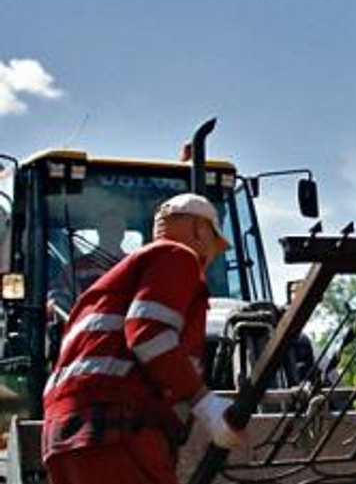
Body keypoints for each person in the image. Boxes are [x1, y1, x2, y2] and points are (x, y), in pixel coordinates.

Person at [42, 193, 243, 484]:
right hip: (119, 428)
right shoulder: (177, 256)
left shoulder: (117, 279)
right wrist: (205, 403)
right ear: (200, 229)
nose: (211, 257)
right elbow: (149, 333)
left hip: (67, 434)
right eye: (215, 243)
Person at [48, 209, 128, 317]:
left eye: (116, 227)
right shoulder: (75, 269)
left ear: (123, 232)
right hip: (85, 329)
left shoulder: (136, 266)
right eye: (107, 228)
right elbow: (58, 299)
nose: (112, 232)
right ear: (99, 231)